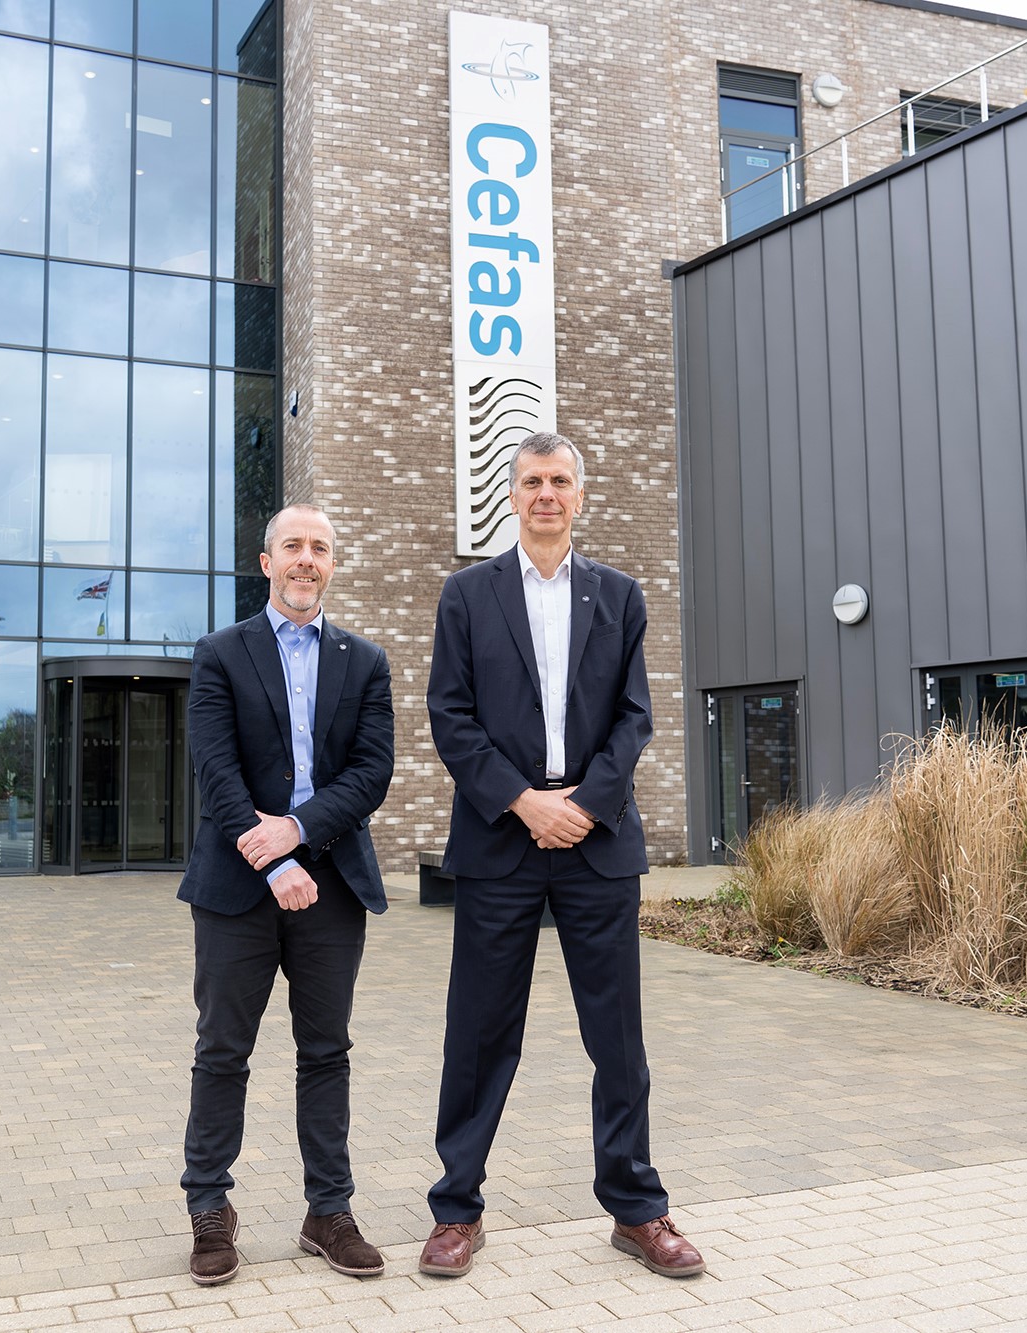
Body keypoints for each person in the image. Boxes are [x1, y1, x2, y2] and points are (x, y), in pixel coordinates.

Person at [419, 432, 704, 1280]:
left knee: (617, 1037)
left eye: (560, 481)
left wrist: (581, 805)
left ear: (580, 495)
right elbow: (451, 716)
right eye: (533, 481)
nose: (547, 494)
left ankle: (637, 1207)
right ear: (512, 495)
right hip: (501, 839)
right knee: (478, 1034)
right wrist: (523, 801)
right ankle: (457, 1211)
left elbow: (634, 718)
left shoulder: (619, 596)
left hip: (597, 843)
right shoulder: (468, 595)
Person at [176, 503, 395, 1287]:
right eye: (292, 546)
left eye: (321, 548)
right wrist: (270, 858)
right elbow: (215, 770)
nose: (307, 558)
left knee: (326, 1051)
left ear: (333, 564)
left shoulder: (364, 660)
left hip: (332, 882)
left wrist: (297, 833)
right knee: (222, 1051)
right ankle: (210, 1207)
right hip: (236, 888)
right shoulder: (219, 652)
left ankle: (327, 1210)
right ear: (266, 562)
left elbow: (371, 774)